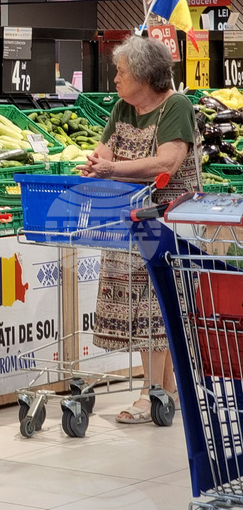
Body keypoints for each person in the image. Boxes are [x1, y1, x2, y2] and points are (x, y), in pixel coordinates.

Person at [77, 34, 200, 424]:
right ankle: (168, 391)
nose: (115, 78)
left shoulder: (176, 106)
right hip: (127, 221)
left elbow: (167, 163)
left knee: (156, 308)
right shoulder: (122, 107)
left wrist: (111, 170)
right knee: (145, 311)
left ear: (145, 76)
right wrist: (98, 161)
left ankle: (152, 396)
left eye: (121, 71)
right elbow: (106, 151)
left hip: (167, 222)